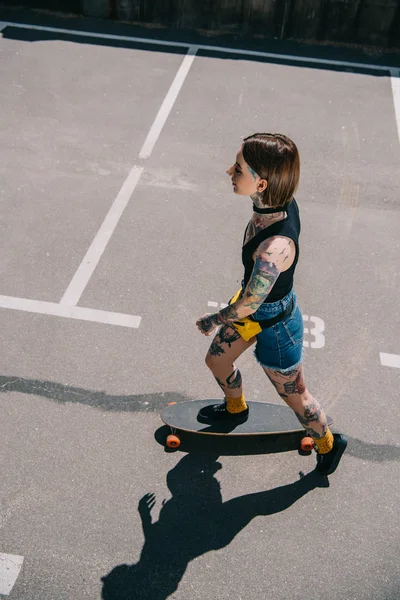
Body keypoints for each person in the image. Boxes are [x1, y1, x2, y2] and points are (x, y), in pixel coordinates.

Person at [196, 133, 347, 476]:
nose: (228, 172)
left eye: (237, 169)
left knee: (297, 398)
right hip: (256, 311)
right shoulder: (275, 202)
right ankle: (236, 409)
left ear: (261, 183)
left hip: (276, 327)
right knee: (216, 362)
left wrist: (213, 320)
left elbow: (249, 304)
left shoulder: (275, 248)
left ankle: (328, 444)